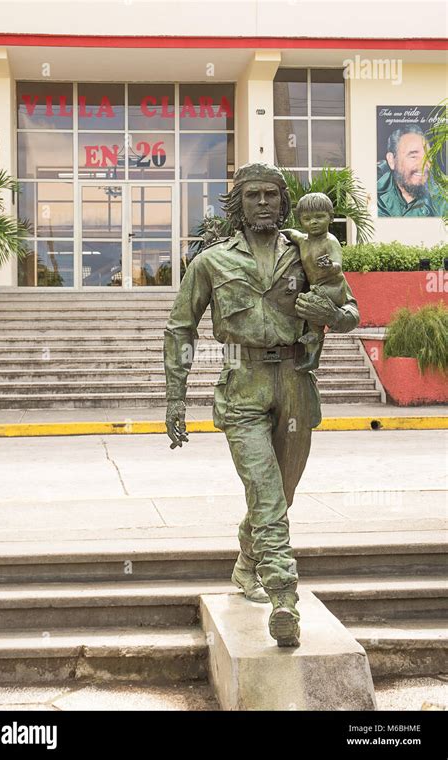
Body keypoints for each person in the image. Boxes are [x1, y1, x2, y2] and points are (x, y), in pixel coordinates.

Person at [163, 163, 359, 647]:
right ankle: (284, 597)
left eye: (272, 195)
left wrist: (331, 314)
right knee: (267, 492)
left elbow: (352, 312)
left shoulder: (311, 253)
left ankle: (247, 563)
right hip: (243, 386)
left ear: (284, 202)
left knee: (281, 494)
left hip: (295, 382)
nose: (264, 203)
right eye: (253, 196)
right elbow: (180, 328)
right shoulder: (211, 262)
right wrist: (175, 396)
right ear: (238, 206)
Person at [282, 192, 347, 373]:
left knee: (310, 304)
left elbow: (338, 266)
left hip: (334, 288)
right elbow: (290, 233)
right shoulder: (303, 240)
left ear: (331, 218)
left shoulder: (330, 241)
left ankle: (314, 346)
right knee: (306, 304)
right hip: (317, 288)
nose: (314, 222)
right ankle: (311, 352)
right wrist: (275, 232)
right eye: (307, 218)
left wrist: (329, 266)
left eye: (320, 217)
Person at [377, 125, 447, 217]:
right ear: (392, 160)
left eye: (428, 157)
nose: (424, 165)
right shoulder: (373, 193)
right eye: (413, 156)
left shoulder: (443, 200)